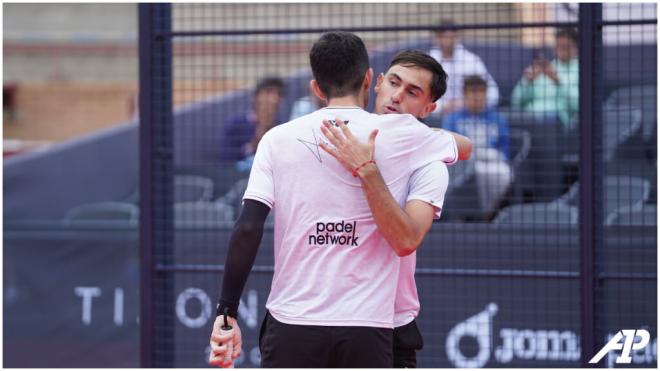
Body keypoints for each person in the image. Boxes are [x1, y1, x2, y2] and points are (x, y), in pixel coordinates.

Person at [208, 31, 459, 368]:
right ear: (372, 79)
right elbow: (464, 146)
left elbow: (248, 227)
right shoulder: (408, 135)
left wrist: (227, 312)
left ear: (316, 87)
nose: (398, 97)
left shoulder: (275, 139)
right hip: (367, 324)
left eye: (411, 91)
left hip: (292, 323)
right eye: (394, 83)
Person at [443, 75, 512, 215]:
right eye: (472, 92)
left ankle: (488, 212)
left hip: (491, 161)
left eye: (480, 92)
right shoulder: (453, 118)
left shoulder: (497, 118)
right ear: (464, 94)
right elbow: (448, 146)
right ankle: (476, 213)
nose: (477, 97)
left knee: (505, 173)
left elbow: (505, 148)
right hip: (462, 163)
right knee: (476, 173)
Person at [511, 27, 579, 127]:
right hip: (530, 115)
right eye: (558, 46)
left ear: (575, 48)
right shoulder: (545, 67)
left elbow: (578, 105)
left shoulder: (582, 70)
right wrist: (526, 81)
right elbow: (515, 102)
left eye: (565, 47)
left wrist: (558, 81)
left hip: (556, 118)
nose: (560, 50)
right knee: (507, 117)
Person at [429, 19, 499, 116]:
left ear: (457, 37)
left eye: (450, 36)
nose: (446, 40)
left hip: (468, 117)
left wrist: (466, 103)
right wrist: (442, 106)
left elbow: (493, 94)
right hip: (434, 117)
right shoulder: (428, 61)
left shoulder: (472, 60)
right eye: (442, 36)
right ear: (436, 38)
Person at [218, 77, 285, 163]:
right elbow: (225, 160)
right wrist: (255, 142)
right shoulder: (236, 124)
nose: (274, 99)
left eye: (279, 94)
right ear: (256, 97)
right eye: (269, 92)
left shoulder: (282, 128)